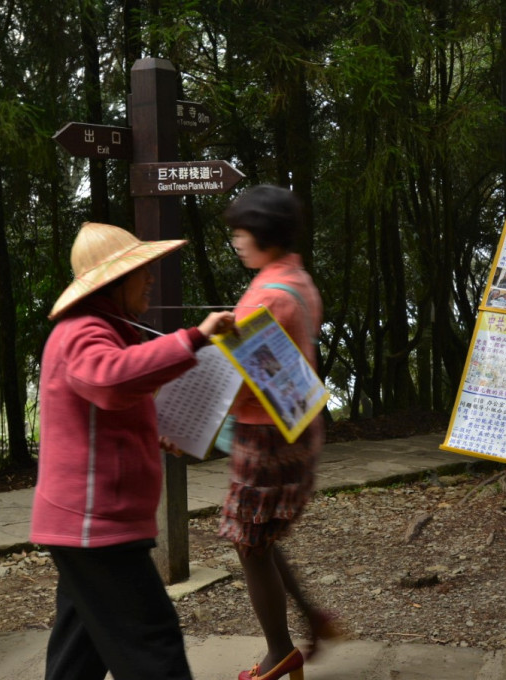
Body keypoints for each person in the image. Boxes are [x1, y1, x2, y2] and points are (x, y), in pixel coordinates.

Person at [30, 222, 237, 680]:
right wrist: (194, 337)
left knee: (78, 655)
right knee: (152, 647)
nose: (150, 280)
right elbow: (109, 378)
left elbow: (112, 404)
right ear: (114, 280)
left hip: (91, 525)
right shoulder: (83, 331)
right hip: (96, 526)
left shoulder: (106, 329)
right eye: (141, 272)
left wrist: (150, 433)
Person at [219, 186, 339, 680]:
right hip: (298, 427)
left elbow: (241, 383)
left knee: (250, 542)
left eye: (241, 232)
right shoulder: (297, 279)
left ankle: (279, 652)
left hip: (264, 437)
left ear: (263, 232)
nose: (235, 241)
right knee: (261, 538)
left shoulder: (266, 297)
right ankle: (312, 619)